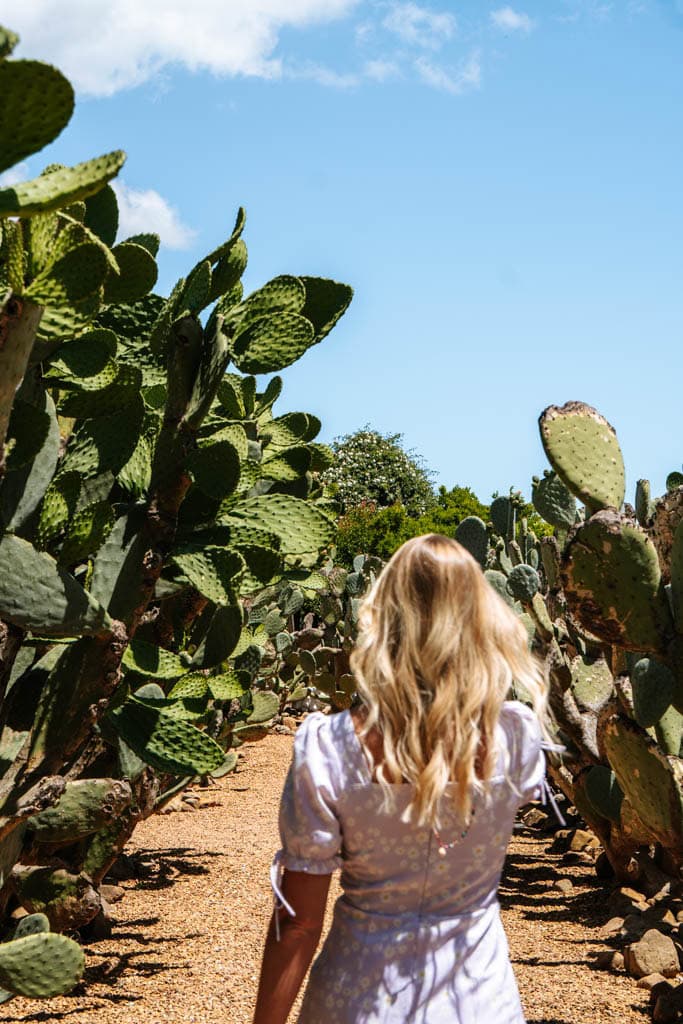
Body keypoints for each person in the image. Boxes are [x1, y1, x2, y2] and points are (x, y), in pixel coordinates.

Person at [253, 533, 556, 1024]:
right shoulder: (517, 736)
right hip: (480, 1000)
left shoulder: (329, 747)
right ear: (480, 618)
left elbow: (299, 924)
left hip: (355, 999)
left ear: (384, 618)